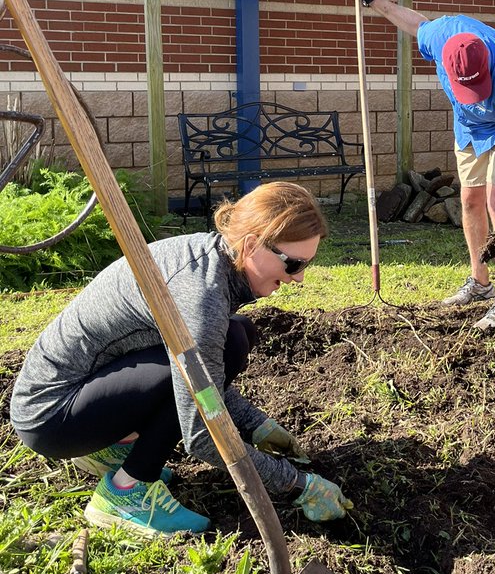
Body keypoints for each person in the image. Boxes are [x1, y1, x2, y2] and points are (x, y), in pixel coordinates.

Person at [11, 182, 353, 538]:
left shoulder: (211, 259)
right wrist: (297, 484)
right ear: (251, 244)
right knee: (209, 361)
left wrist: (255, 425)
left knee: (235, 336)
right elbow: (203, 430)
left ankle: (111, 450)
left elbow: (204, 377)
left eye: (306, 264)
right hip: (51, 415)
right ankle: (126, 493)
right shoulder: (201, 296)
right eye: (294, 263)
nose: (299, 277)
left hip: (83, 394)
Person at [348, 0, 495, 331]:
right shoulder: (441, 37)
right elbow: (415, 23)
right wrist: (375, 0)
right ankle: (480, 282)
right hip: (469, 126)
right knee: (469, 200)